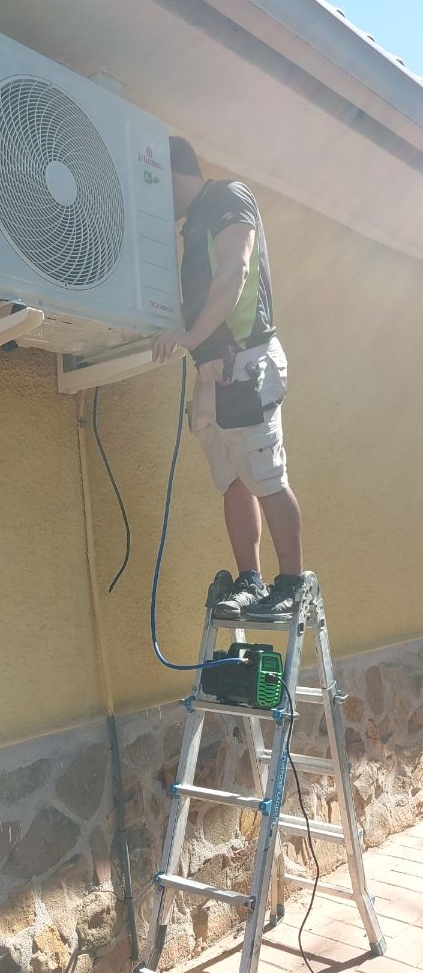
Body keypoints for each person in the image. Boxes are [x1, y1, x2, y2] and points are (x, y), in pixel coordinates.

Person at [152, 136, 303, 620]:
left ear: (172, 173)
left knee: (266, 476)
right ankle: (250, 581)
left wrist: (190, 334)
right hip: (214, 369)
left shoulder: (227, 197)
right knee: (235, 479)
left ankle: (291, 584)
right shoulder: (193, 223)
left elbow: (236, 268)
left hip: (245, 359)